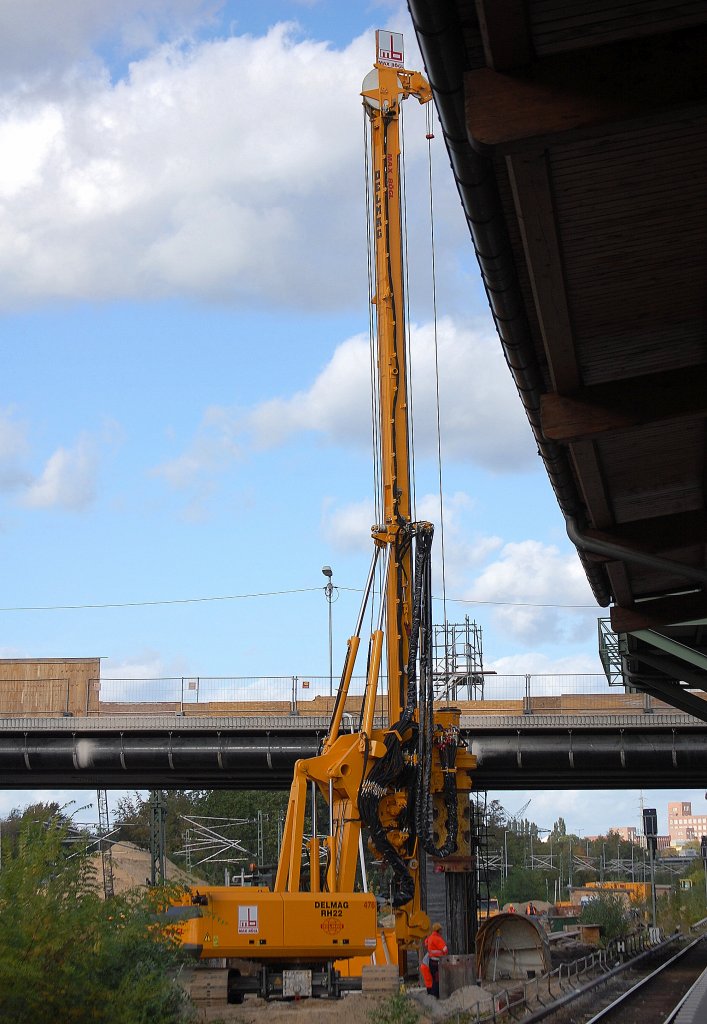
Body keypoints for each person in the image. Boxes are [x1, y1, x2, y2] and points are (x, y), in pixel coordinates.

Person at [424, 922, 448, 998]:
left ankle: (431, 995)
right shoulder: (438, 939)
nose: (442, 931)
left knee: (433, 979)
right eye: (441, 930)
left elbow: (426, 943)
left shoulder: (430, 938)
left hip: (431, 961)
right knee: (437, 980)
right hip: (436, 962)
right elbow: (445, 949)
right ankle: (435, 996)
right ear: (438, 930)